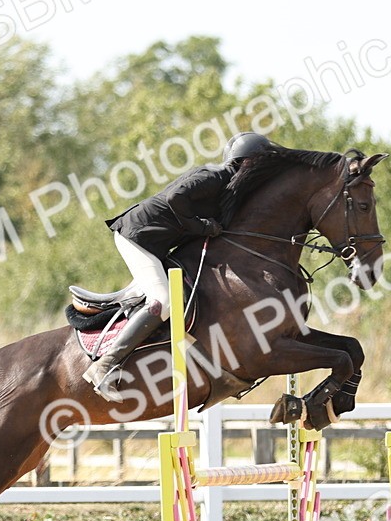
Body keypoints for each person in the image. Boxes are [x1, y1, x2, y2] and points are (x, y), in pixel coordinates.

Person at [83, 132, 275, 401]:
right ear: (247, 163)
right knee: (163, 301)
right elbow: (175, 199)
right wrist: (203, 226)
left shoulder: (228, 188)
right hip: (137, 235)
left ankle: (215, 372)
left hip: (156, 242)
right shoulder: (214, 177)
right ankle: (105, 365)